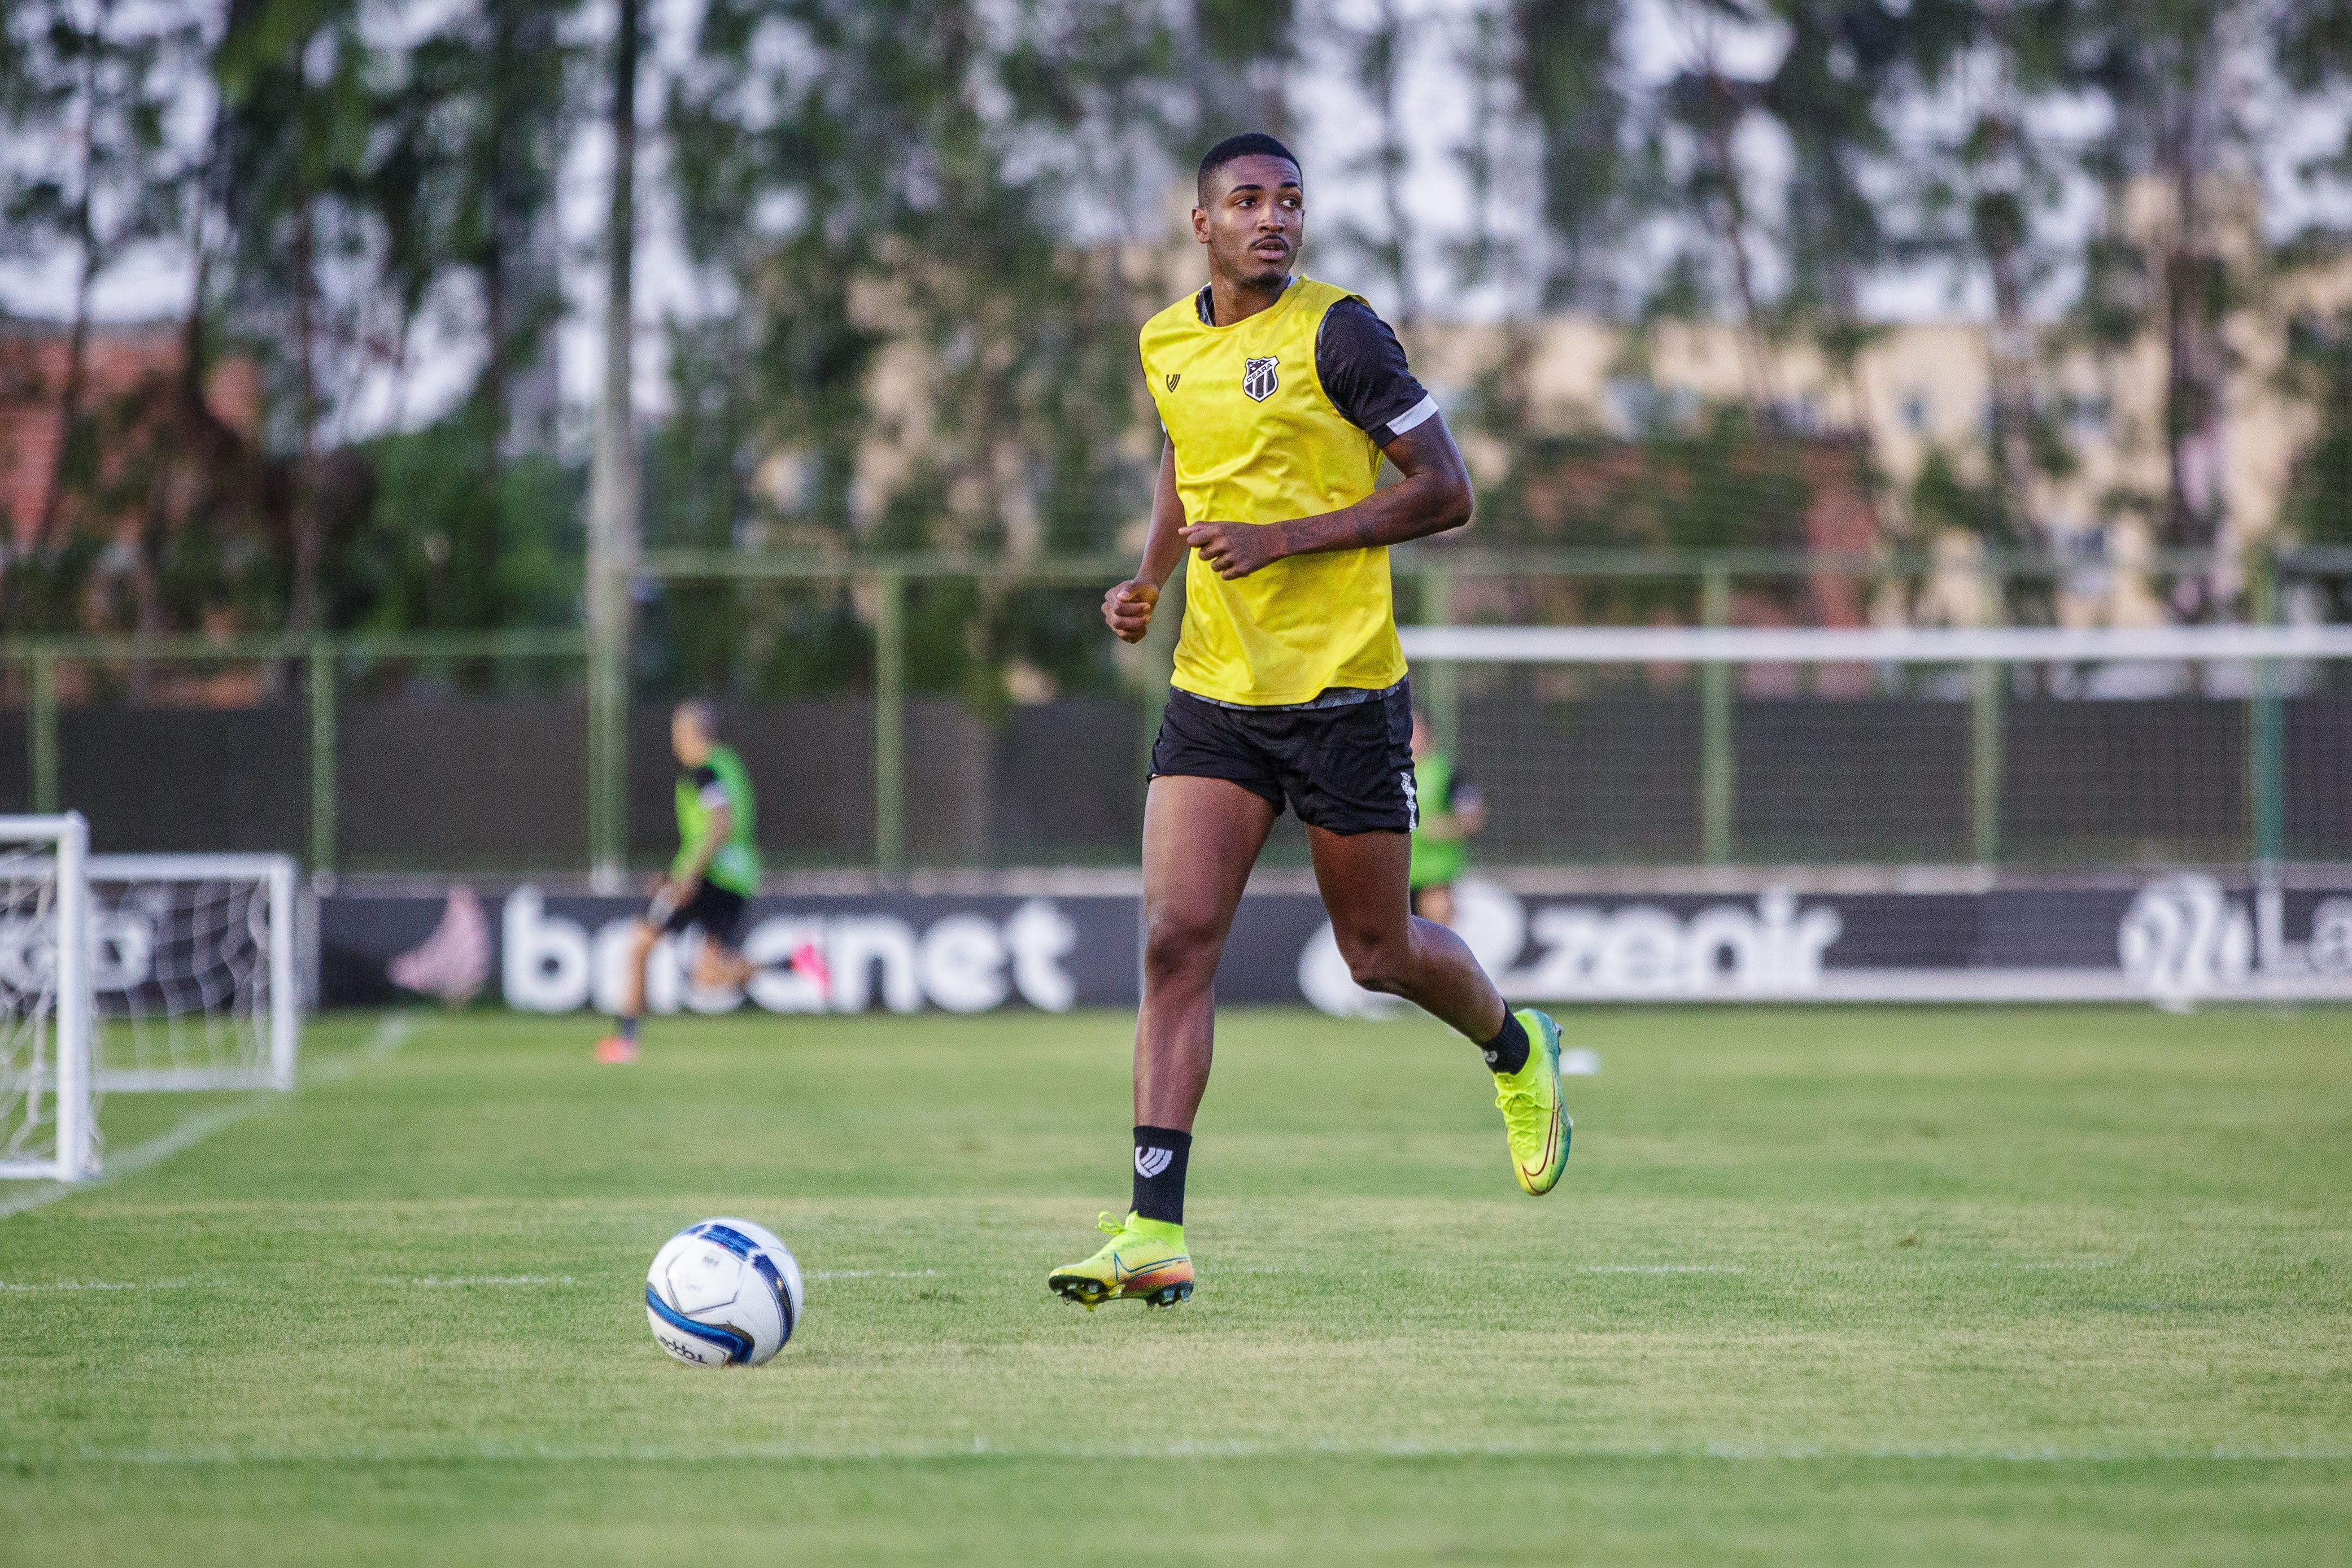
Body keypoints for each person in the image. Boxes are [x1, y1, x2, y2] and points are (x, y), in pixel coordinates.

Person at [1047, 133, 1574, 1312]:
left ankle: (1515, 1045)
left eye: (1290, 200)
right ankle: (1152, 1228)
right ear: (1202, 225)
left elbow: (1448, 489)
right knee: (1177, 942)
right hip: (1214, 695)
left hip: (1342, 693)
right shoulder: (1165, 340)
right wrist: (1150, 581)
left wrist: (1282, 539)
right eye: (1247, 201)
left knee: (1377, 954)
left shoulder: (1343, 332)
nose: (1273, 218)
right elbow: (1186, 469)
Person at [595, 702, 763, 1064]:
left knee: (640, 945)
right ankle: (793, 963)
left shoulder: (701, 771)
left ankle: (626, 1042)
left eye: (676, 732)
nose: (674, 741)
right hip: (738, 876)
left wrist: (685, 877)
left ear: (690, 733)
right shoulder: (728, 764)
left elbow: (720, 823)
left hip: (707, 876)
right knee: (708, 976)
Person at [1407, 708, 1486, 929]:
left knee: (1433, 942)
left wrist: (1448, 827)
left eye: (1414, 730)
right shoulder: (1389, 773)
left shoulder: (1445, 772)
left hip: (1434, 880)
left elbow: (1474, 817)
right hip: (1395, 878)